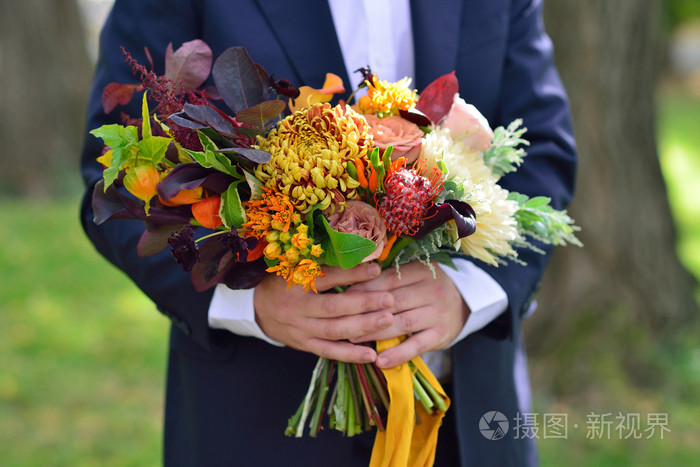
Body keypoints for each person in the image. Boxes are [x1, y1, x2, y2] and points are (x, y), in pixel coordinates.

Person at [79, 0, 576, 465]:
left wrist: (472, 294)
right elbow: (117, 185)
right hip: (259, 419)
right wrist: (251, 304)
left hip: (468, 422)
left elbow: (545, 149)